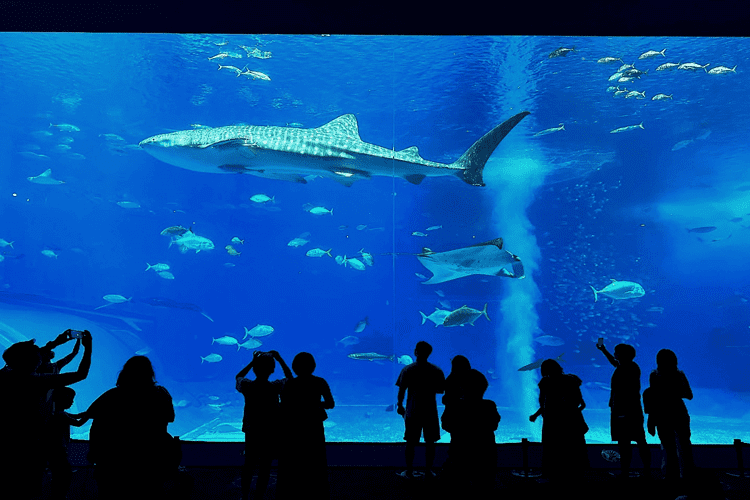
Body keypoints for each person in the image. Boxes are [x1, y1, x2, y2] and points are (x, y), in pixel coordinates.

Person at [0, 330, 92, 500]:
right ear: (33, 361)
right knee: (30, 485)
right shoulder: (37, 381)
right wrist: (88, 347)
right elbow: (81, 374)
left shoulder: (4, 376)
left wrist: (55, 342)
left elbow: (19, 356)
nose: (40, 356)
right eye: (37, 354)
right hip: (30, 443)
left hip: (6, 441)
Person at [83, 355, 177, 499]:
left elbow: (92, 415)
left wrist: (93, 452)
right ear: (150, 373)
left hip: (114, 461)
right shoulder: (160, 394)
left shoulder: (112, 395)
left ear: (124, 373)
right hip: (150, 460)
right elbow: (170, 417)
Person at [236, 350, 293, 500]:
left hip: (251, 430)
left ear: (254, 369)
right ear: (273, 370)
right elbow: (289, 379)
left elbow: (238, 377)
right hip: (270, 431)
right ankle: (259, 497)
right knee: (265, 466)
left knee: (249, 464)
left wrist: (252, 362)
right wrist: (279, 359)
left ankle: (244, 495)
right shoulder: (275, 387)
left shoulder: (248, 386)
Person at [277, 352, 334, 500]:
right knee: (316, 458)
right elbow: (330, 404)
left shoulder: (290, 384)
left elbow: (284, 406)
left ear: (294, 367)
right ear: (314, 366)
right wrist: (315, 404)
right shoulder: (320, 382)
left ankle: (293, 491)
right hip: (314, 425)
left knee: (295, 459)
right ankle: (318, 491)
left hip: (294, 427)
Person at [596, 341, 652, 479]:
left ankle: (631, 472)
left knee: (629, 442)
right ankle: (640, 471)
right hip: (627, 409)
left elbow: (627, 392)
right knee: (635, 440)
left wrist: (622, 413)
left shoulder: (628, 368)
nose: (615, 354)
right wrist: (603, 350)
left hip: (626, 410)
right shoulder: (628, 366)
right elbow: (614, 362)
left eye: (616, 352)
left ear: (622, 354)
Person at [440, 368, 500, 493]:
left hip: (460, 452)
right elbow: (494, 426)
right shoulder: (490, 405)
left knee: (459, 485)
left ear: (461, 387)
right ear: (484, 388)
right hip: (486, 453)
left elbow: (446, 425)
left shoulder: (455, 406)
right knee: (485, 485)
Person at [529, 359, 588, 482]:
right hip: (565, 420)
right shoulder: (569, 380)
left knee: (553, 448)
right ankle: (574, 474)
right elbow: (580, 404)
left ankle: (551, 474)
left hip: (554, 421)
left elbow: (546, 404)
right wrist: (572, 412)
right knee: (571, 449)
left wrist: (538, 414)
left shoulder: (547, 382)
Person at [395, 341, 446, 479]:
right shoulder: (436, 370)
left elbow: (402, 390)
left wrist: (400, 405)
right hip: (430, 410)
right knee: (430, 442)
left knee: (410, 442)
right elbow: (441, 390)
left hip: (413, 409)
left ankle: (409, 471)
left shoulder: (407, 370)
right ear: (429, 353)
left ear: (415, 352)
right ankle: (429, 471)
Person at [643, 348, 694, 482]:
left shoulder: (655, 375)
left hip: (662, 414)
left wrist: (651, 419)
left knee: (669, 448)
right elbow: (689, 395)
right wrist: (675, 393)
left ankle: (671, 478)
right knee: (684, 446)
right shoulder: (679, 375)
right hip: (678, 412)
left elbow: (654, 398)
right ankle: (686, 477)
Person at [47, 387, 89, 500]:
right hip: (59, 450)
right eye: (70, 398)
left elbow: (74, 417)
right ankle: (60, 496)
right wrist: (90, 415)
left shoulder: (58, 414)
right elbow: (78, 423)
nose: (72, 401)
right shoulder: (62, 415)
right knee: (65, 474)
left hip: (55, 450)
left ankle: (57, 495)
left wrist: (83, 414)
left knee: (58, 475)